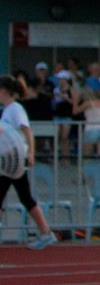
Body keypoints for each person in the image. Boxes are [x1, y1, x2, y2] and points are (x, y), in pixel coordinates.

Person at [1, 75, 59, 248]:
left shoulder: (15, 109)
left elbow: (27, 131)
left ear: (3, 90)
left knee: (21, 196)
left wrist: (31, 153)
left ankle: (46, 233)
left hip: (13, 161)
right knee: (25, 197)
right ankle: (46, 232)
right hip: (9, 161)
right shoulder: (7, 110)